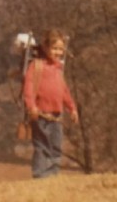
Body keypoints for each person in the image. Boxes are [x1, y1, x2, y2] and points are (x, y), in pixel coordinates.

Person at [23, 28, 78, 179]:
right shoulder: (36, 66)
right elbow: (28, 88)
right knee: (41, 146)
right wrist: (31, 106)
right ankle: (40, 175)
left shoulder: (58, 69)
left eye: (61, 49)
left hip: (57, 115)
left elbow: (64, 91)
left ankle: (52, 175)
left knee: (56, 146)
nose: (58, 52)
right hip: (40, 114)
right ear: (45, 47)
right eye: (55, 48)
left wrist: (72, 108)